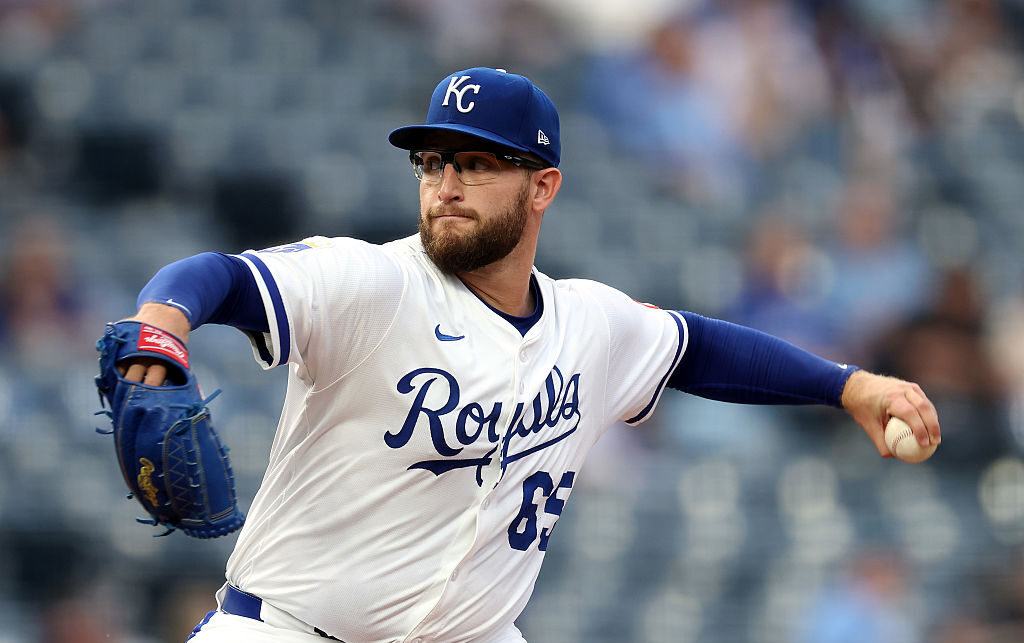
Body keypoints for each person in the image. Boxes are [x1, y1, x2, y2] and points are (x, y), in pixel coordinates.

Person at [114, 67, 941, 643]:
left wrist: (850, 386)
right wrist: (160, 328)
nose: (445, 186)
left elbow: (700, 348)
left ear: (542, 185)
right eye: (433, 163)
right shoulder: (375, 282)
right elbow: (219, 278)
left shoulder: (588, 323)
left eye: (476, 164)